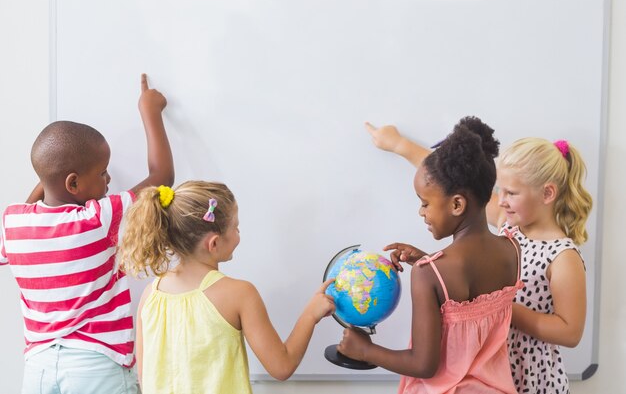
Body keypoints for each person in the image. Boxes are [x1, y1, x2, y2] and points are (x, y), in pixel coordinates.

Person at [365, 121, 592, 393]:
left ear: (547, 193)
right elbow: (452, 180)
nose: (502, 200)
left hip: (531, 377)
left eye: (511, 193)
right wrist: (399, 145)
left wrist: (502, 305)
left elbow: (570, 332)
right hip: (490, 371)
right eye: (500, 191)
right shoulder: (510, 223)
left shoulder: (562, 255)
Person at [0, 74, 174, 394]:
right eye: (102, 172)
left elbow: (36, 201)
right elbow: (162, 177)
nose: (109, 179)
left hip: (37, 368)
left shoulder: (13, 223)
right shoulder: (98, 219)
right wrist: (150, 111)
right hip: (96, 365)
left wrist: (47, 179)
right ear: (74, 184)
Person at [338, 117, 521, 393]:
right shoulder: (512, 249)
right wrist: (429, 260)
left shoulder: (428, 274)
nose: (421, 212)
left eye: (425, 203)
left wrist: (366, 350)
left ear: (457, 204)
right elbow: (471, 298)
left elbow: (424, 365)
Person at [118, 180, 336, 394]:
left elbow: (145, 378)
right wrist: (310, 315)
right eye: (236, 228)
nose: (239, 234)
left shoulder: (151, 295)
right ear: (214, 243)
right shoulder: (240, 294)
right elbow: (282, 366)